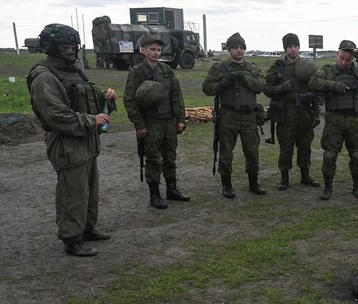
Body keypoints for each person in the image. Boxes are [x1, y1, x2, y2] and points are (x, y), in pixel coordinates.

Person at [26, 24, 117, 256]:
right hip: (67, 143)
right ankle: (71, 237)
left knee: (89, 189)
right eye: (66, 46)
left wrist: (106, 98)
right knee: (73, 191)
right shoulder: (44, 77)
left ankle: (86, 228)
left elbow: (85, 99)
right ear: (51, 47)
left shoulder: (73, 71)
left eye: (74, 46)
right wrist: (91, 120)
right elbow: (55, 115)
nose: (71, 50)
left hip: (86, 141)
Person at [124, 34, 188, 209]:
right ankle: (155, 194)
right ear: (143, 50)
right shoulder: (137, 72)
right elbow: (130, 100)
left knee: (170, 156)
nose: (156, 53)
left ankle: (172, 189)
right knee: (153, 158)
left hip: (169, 121)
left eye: (159, 50)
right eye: (152, 49)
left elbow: (177, 95)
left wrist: (180, 119)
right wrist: (139, 124)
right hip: (151, 122)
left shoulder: (166, 70)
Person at [309, 40, 358, 200]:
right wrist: (332, 85)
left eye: (348, 60)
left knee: (356, 154)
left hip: (354, 119)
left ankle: (357, 187)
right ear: (337, 54)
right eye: (341, 58)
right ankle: (327, 188)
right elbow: (313, 82)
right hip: (334, 119)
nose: (344, 62)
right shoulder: (328, 70)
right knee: (330, 155)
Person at [203, 32, 267, 198]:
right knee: (226, 152)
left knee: (252, 152)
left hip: (249, 117)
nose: (239, 50)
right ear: (229, 49)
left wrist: (246, 78)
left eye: (241, 47)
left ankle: (253, 183)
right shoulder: (220, 68)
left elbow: (261, 86)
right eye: (235, 47)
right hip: (228, 116)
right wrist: (223, 83)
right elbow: (207, 88)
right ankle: (227, 185)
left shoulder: (252, 68)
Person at [263, 33, 321, 191]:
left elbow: (315, 91)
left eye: (296, 46)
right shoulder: (277, 67)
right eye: (290, 47)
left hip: (304, 111)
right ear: (285, 49)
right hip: (286, 112)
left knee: (305, 146)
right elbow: (266, 89)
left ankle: (305, 175)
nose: (293, 49)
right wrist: (281, 88)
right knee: (286, 146)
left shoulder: (307, 67)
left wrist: (316, 113)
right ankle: (284, 178)